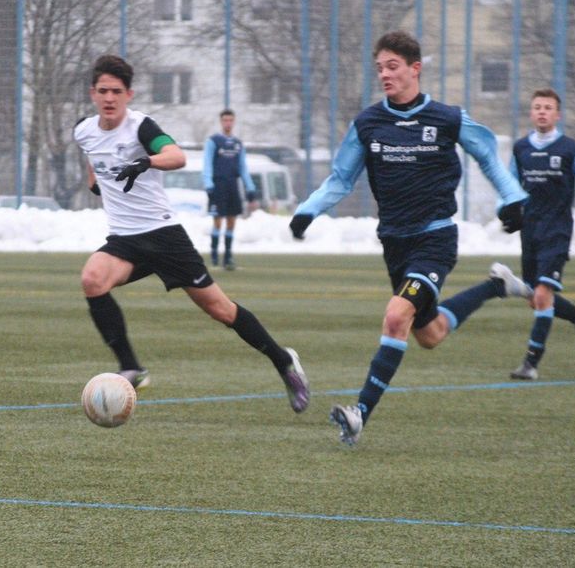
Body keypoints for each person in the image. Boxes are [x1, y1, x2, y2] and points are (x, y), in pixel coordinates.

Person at [289, 30, 529, 447]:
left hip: (435, 238)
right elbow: (341, 178)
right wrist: (308, 210)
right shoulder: (368, 124)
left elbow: (488, 156)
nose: (384, 74)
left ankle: (359, 412)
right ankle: (496, 285)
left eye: (393, 66)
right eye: (380, 68)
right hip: (395, 244)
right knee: (429, 333)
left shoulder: (447, 118)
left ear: (415, 69)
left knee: (397, 315)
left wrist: (512, 198)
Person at [74, 54, 309, 413]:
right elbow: (95, 169)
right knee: (92, 279)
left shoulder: (141, 127)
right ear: (93, 93)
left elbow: (176, 155)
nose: (109, 98)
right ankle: (132, 366)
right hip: (125, 240)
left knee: (221, 310)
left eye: (116, 92)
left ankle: (283, 361)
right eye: (103, 91)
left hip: (164, 236)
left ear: (129, 94)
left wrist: (146, 161)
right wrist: (101, 186)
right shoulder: (84, 131)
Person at [506, 89, 575, 381]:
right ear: (531, 112)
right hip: (530, 229)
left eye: (547, 108)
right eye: (537, 107)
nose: (542, 112)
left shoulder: (571, 148)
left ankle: (530, 363)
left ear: (557, 114)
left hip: (557, 229)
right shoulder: (521, 148)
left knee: (541, 294)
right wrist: (509, 209)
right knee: (535, 299)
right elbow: (511, 182)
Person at [203, 109, 257, 270]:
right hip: (218, 186)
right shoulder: (213, 141)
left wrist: (250, 188)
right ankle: (214, 256)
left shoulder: (238, 144)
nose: (228, 123)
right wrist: (209, 185)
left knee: (232, 222)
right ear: (221, 122)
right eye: (225, 120)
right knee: (218, 222)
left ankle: (228, 257)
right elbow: (207, 164)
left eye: (230, 120)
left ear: (234, 122)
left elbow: (243, 168)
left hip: (233, 186)